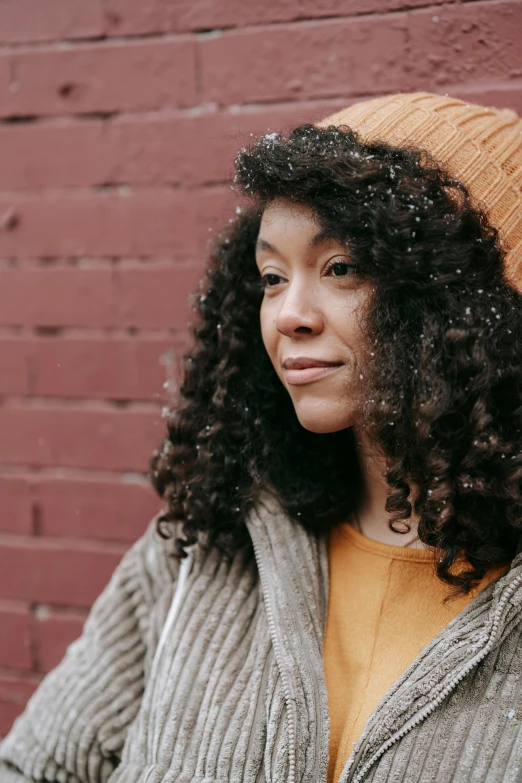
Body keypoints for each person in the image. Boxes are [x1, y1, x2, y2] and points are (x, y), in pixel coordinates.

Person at [1, 91, 522, 783]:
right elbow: (35, 766)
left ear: (467, 302)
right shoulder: (208, 545)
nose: (289, 315)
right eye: (272, 277)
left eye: (341, 268)